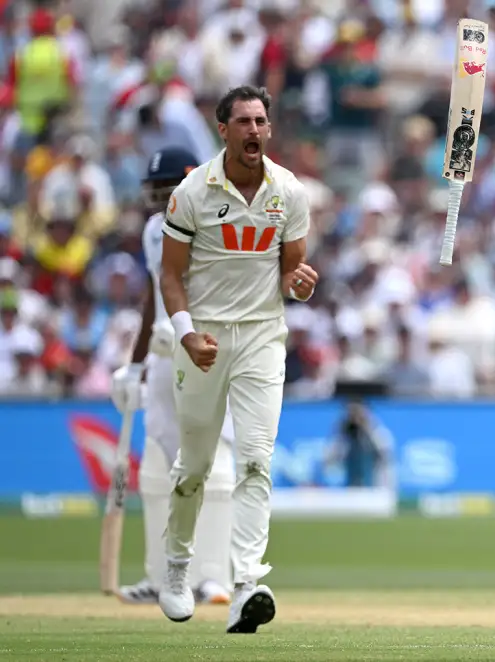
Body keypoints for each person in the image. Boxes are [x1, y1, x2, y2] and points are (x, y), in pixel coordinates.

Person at [158, 85, 317, 633]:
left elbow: (291, 274)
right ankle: (177, 569)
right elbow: (170, 275)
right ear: (222, 129)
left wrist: (299, 285)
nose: (254, 130)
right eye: (243, 122)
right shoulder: (192, 192)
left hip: (261, 338)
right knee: (195, 467)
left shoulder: (289, 192)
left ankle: (247, 581)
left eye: (261, 121)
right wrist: (185, 334)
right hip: (202, 341)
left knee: (254, 460)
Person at [110, 147, 235, 607]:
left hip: (207, 352)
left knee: (213, 464)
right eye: (155, 193)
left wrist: (190, 331)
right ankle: (160, 577)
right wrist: (137, 363)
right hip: (165, 355)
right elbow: (152, 295)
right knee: (159, 469)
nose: (161, 201)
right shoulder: (152, 229)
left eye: (168, 191)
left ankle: (212, 577)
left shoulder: (218, 221)